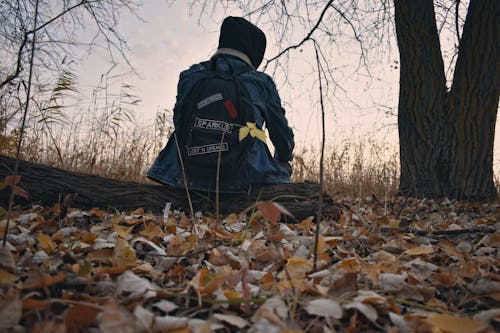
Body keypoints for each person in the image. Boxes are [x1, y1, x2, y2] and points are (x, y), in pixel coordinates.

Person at [147, 16, 294, 192]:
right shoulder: (261, 82)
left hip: (185, 177)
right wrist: (284, 158)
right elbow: (281, 137)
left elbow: (180, 123)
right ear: (255, 52)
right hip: (247, 179)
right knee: (281, 161)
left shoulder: (190, 76)